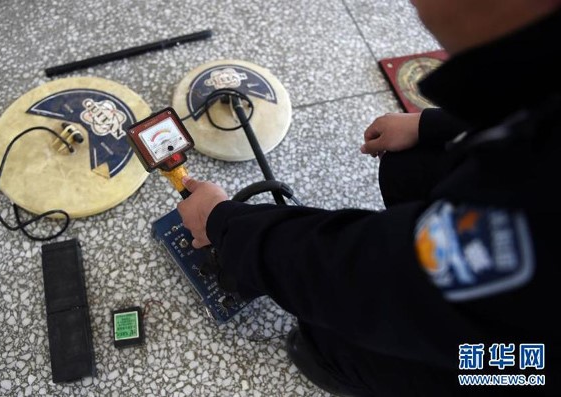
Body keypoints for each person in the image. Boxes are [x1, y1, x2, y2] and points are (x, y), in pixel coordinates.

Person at [177, 1, 561, 395]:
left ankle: (345, 362)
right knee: (410, 163)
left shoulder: (528, 215)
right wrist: (434, 126)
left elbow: (366, 280)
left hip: (532, 364)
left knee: (332, 337)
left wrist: (223, 223)